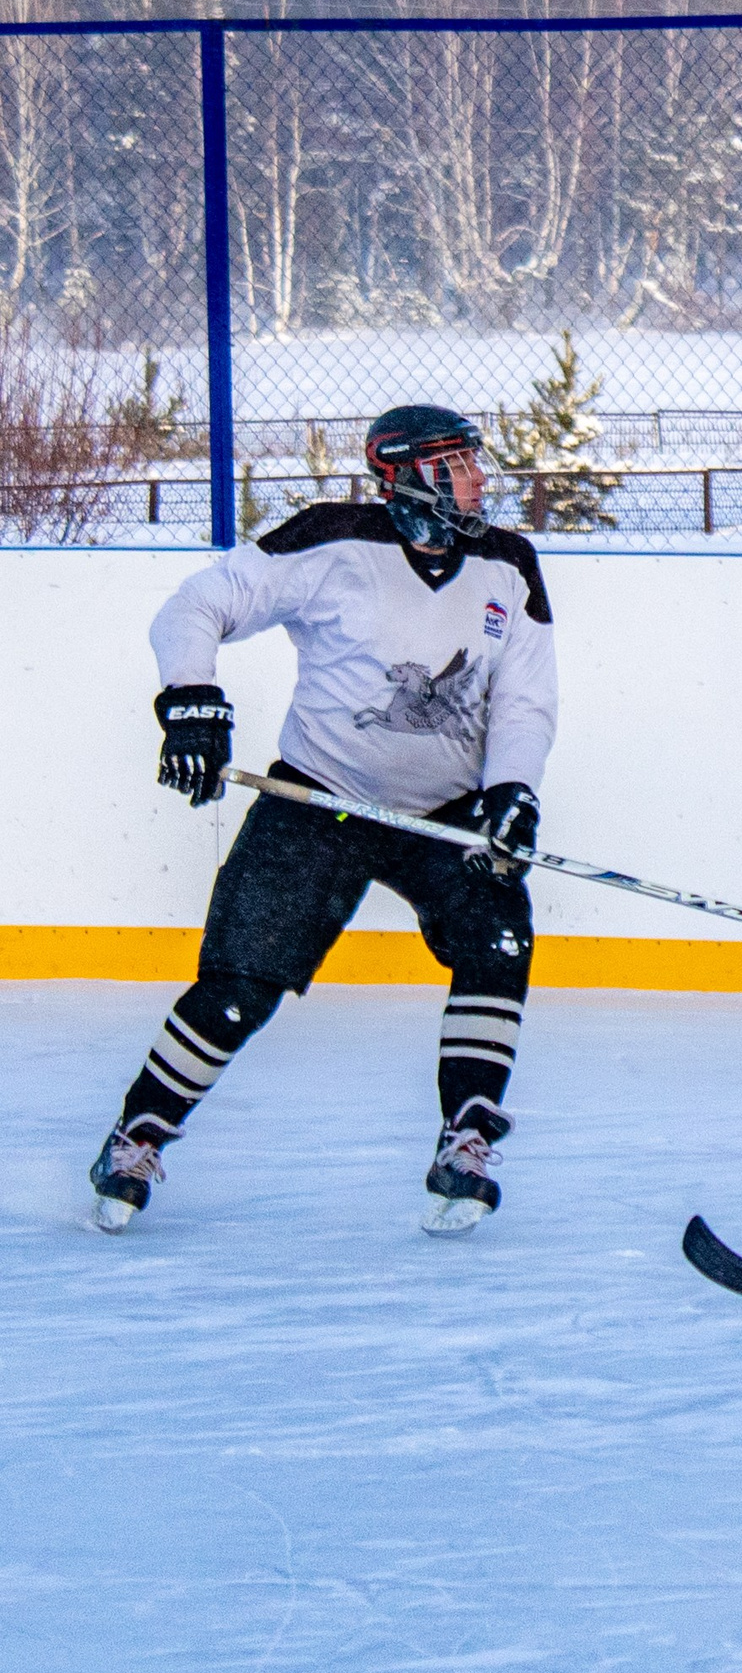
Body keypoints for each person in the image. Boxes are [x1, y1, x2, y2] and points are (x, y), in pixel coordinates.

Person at [90, 404, 555, 1239]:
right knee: (240, 985)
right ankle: (138, 1135)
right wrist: (190, 699)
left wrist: (512, 789)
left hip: (447, 811)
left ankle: (469, 1136)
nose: (482, 477)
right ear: (411, 474)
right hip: (322, 796)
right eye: (462, 462)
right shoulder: (331, 539)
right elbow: (192, 608)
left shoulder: (507, 565)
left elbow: (524, 698)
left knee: (498, 940)